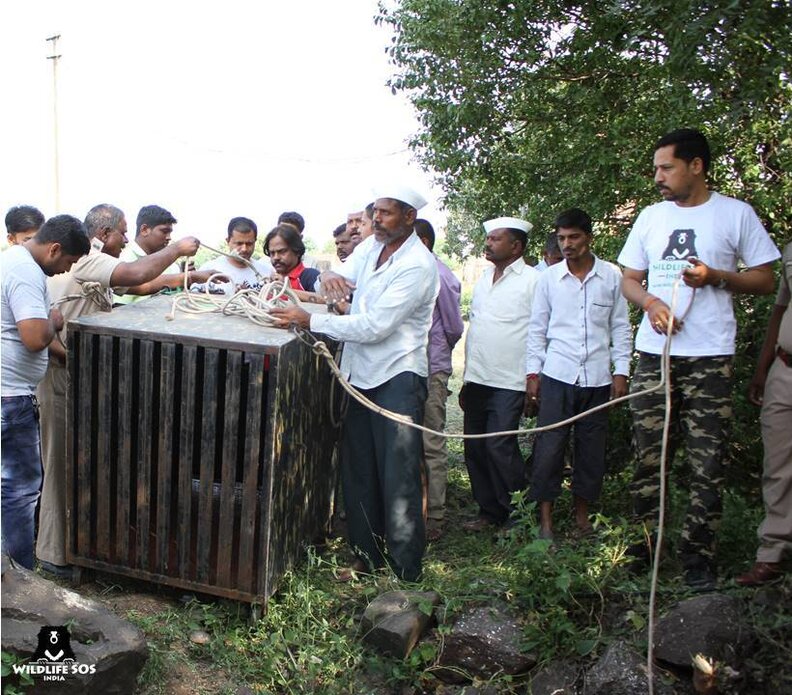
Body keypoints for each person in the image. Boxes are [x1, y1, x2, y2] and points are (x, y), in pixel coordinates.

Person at [618, 128, 779, 590]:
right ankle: (642, 550)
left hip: (710, 357)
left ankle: (697, 560)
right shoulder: (650, 217)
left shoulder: (735, 213)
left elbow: (766, 280)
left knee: (707, 464)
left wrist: (716, 277)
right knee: (649, 457)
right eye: (655, 169)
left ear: (696, 165)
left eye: (665, 168)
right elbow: (629, 279)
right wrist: (650, 304)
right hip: (656, 357)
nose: (657, 178)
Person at [270, 186, 439, 582]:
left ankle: (404, 572)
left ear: (409, 217)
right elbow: (339, 278)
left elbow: (376, 325)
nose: (376, 219)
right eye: (375, 212)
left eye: (386, 213)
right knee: (359, 469)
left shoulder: (417, 264)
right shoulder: (371, 247)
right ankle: (366, 556)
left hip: (397, 376)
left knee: (397, 476)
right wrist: (327, 275)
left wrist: (308, 319)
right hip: (360, 374)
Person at [34, 204, 204, 576]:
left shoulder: (94, 264)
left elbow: (139, 284)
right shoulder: (88, 260)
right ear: (104, 233)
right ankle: (52, 555)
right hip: (62, 375)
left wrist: (191, 277)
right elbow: (137, 272)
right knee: (61, 464)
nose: (127, 240)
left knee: (84, 463)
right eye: (124, 232)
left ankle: (84, 547)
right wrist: (176, 250)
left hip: (81, 375)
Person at [526, 208, 631, 541]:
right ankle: (546, 522)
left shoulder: (612, 276)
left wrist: (621, 372)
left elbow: (620, 327)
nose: (567, 244)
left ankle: (582, 520)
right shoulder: (548, 280)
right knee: (549, 449)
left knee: (590, 452)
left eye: (573, 237)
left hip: (598, 379)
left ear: (589, 237)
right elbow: (537, 330)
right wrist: (533, 373)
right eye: (561, 238)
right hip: (557, 375)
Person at [1, 214, 90, 570]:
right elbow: (35, 336)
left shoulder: (13, 261)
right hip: (11, 399)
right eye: (67, 261)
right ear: (54, 248)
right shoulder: (24, 272)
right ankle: (20, 579)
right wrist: (53, 322)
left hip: (8, 394)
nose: (64, 271)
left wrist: (66, 356)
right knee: (20, 492)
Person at [461, 216, 539, 530]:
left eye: (495, 239)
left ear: (516, 246)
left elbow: (539, 331)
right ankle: (489, 512)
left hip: (510, 380)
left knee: (500, 446)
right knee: (475, 446)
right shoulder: (482, 279)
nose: (488, 243)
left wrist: (534, 377)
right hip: (478, 377)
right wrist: (466, 377)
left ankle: (519, 515)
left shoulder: (533, 281)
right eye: (489, 238)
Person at [735, 240, 792, 586]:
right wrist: (763, 368)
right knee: (778, 464)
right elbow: (779, 309)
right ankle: (773, 554)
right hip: (784, 369)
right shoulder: (789, 250)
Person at [415, 218, 464, 540]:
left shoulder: (441, 275)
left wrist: (437, 356)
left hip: (432, 368)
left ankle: (435, 514)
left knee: (431, 441)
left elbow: (453, 327)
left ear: (425, 242)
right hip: (406, 367)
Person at [116, 204, 214, 303]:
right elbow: (119, 307)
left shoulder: (170, 262)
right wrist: (190, 277)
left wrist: (185, 282)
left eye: (170, 233)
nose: (169, 237)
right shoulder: (123, 261)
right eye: (164, 231)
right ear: (144, 230)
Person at [199, 216, 273, 289]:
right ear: (228, 241)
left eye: (249, 244)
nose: (244, 249)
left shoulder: (267, 272)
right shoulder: (208, 271)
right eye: (239, 243)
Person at [264, 224, 321, 292]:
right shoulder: (269, 279)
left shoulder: (310, 276)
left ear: (297, 251)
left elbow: (324, 300)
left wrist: (288, 291)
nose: (276, 257)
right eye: (272, 253)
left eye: (282, 251)